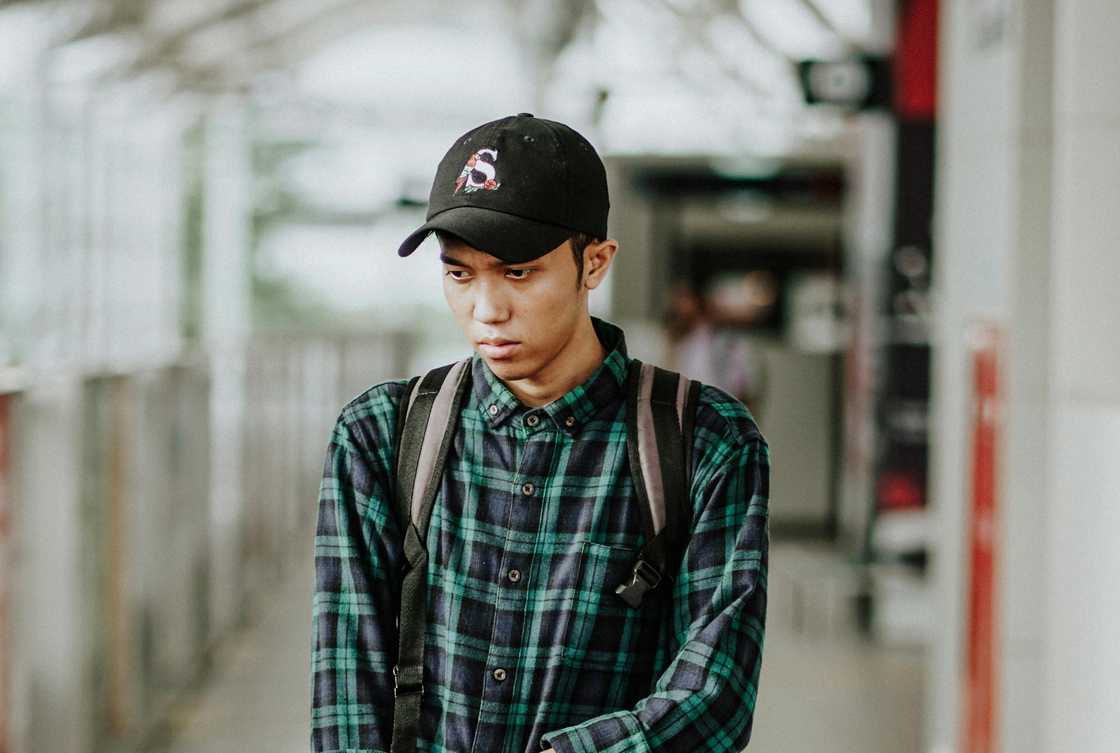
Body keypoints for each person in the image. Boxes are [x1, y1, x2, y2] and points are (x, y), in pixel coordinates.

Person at [310, 113, 771, 753]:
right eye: (459, 274)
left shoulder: (703, 443)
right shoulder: (382, 435)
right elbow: (345, 688)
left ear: (595, 264)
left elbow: (716, 696)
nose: (486, 310)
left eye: (518, 273)